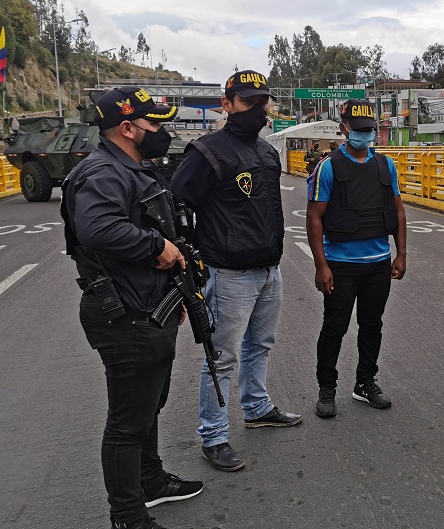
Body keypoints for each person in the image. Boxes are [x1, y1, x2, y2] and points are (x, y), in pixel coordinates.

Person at [60, 87, 202, 529]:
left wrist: (173, 294)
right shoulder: (104, 172)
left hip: (149, 306)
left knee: (148, 405)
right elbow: (99, 229)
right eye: (154, 124)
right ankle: (127, 515)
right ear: (127, 128)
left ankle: (151, 481)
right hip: (124, 315)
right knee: (127, 423)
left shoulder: (134, 167)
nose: (162, 132)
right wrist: (157, 246)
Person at [169, 69, 302, 472]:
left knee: (260, 344)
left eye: (263, 102)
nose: (258, 109)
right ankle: (213, 435)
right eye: (248, 102)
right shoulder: (207, 152)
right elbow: (177, 205)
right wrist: (191, 259)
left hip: (268, 269)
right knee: (222, 357)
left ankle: (257, 407)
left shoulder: (267, 151)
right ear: (226, 104)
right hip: (228, 274)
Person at [306, 98, 407, 418]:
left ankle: (365, 382)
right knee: (334, 327)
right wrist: (321, 265)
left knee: (372, 325)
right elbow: (314, 218)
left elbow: (398, 211)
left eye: (369, 129)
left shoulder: (386, 165)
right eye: (359, 129)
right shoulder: (328, 166)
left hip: (378, 263)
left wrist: (401, 253)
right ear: (344, 129)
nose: (365, 134)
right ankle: (327, 388)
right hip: (341, 265)